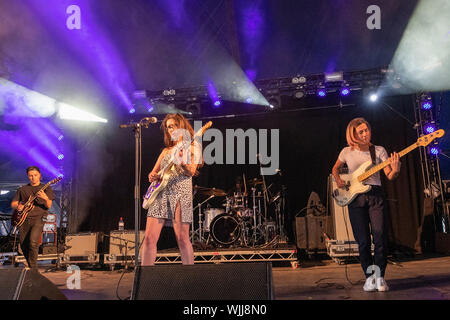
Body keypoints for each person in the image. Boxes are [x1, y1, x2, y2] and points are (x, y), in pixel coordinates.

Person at [332, 117, 400, 292]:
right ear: (353, 134)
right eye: (360, 131)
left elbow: (389, 176)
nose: (365, 133)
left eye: (366, 130)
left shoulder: (378, 151)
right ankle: (369, 277)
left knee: (379, 239)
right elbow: (335, 169)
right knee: (362, 242)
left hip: (375, 195)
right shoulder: (347, 152)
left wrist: (396, 169)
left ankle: (380, 277)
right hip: (355, 198)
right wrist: (338, 180)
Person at [141, 113, 202, 265]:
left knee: (182, 238)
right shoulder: (166, 151)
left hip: (182, 194)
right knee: (149, 238)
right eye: (168, 127)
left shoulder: (193, 147)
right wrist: (152, 175)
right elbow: (153, 173)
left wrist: (181, 161)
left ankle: (189, 277)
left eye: (174, 125)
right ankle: (145, 277)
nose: (171, 129)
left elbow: (192, 171)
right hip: (160, 193)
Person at [11, 166, 55, 269]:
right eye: (30, 176)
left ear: (39, 175)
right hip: (24, 218)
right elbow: (14, 203)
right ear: (28, 176)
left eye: (35, 175)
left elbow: (48, 205)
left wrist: (45, 197)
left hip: (40, 217)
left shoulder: (46, 188)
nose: (33, 177)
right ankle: (31, 266)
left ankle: (34, 269)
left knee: (33, 241)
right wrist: (19, 206)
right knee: (23, 244)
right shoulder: (22, 189)